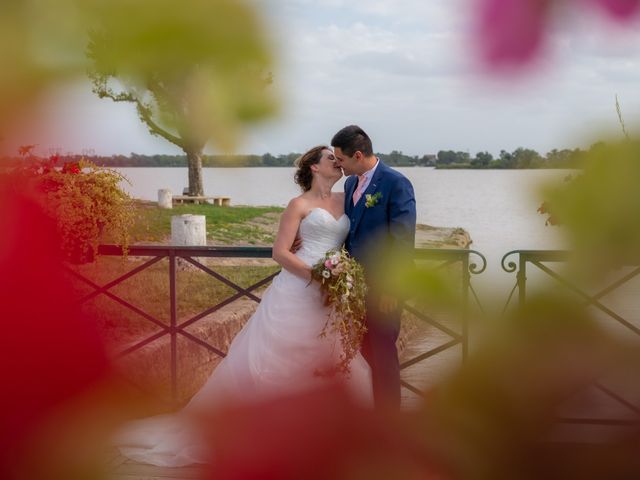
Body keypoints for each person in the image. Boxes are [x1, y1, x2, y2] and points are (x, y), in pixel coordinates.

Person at [114, 145, 373, 467]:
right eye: (330, 159)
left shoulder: (344, 199)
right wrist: (317, 277)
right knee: (283, 362)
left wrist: (340, 277)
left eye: (338, 159)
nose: (337, 162)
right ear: (315, 168)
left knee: (332, 358)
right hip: (299, 288)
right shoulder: (298, 205)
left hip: (332, 294)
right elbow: (280, 252)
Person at [332, 125, 417, 410]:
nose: (338, 165)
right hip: (353, 288)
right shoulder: (349, 184)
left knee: (383, 356)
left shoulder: (396, 183)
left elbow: (403, 240)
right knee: (362, 355)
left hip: (384, 289)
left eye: (340, 160)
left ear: (357, 155)